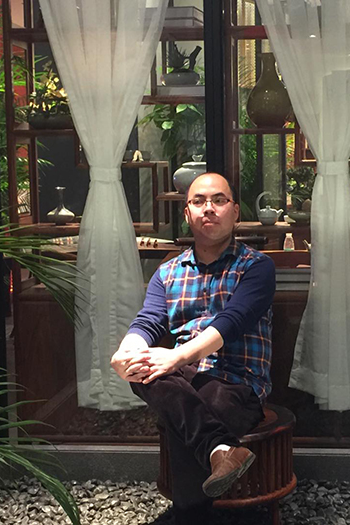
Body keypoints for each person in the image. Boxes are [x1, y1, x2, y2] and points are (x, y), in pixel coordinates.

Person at [110, 172, 276, 525]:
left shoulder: (256, 267)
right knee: (142, 369)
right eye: (198, 201)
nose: (209, 208)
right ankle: (220, 450)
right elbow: (149, 321)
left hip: (237, 381)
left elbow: (232, 322)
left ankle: (186, 515)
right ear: (187, 213)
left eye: (219, 200)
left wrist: (176, 356)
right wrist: (127, 351)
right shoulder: (167, 272)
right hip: (185, 375)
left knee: (203, 400)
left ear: (235, 212)